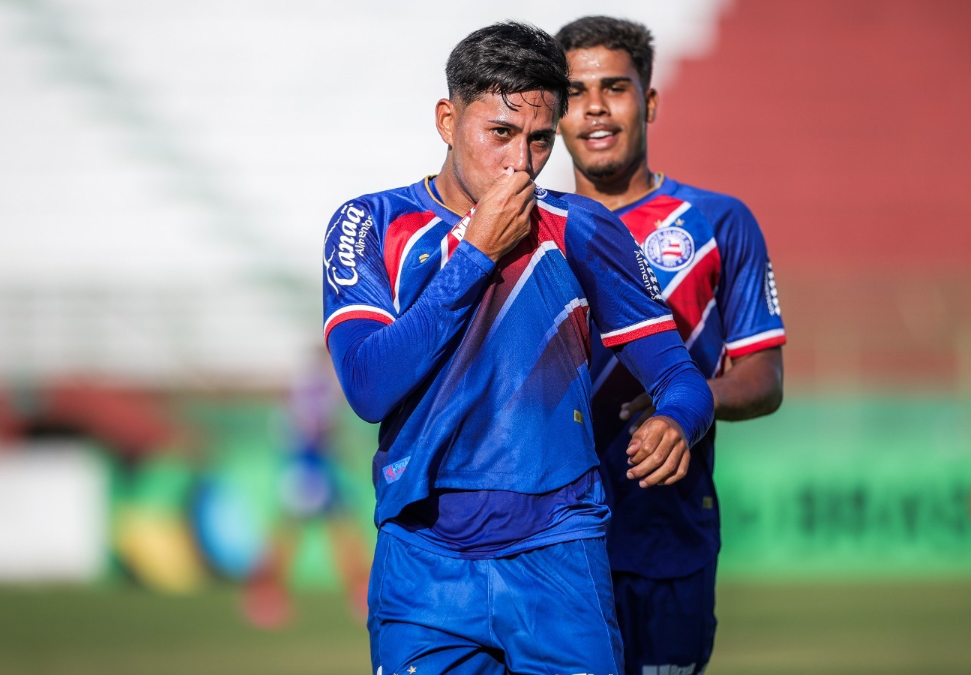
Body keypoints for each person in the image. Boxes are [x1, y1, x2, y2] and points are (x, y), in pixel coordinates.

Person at [322, 21, 714, 675]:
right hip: (425, 562)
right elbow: (367, 386)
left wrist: (678, 418)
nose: (520, 163)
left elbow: (680, 374)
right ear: (448, 120)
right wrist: (476, 253)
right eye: (500, 133)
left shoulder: (584, 227)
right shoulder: (373, 224)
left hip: (562, 550)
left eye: (538, 140)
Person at [555, 16, 785, 675]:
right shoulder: (526, 230)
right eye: (574, 91)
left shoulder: (719, 223)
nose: (595, 107)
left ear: (649, 100)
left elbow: (764, 376)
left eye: (615, 88)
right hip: (548, 545)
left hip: (667, 536)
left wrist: (684, 407)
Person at [242, 348, 370, 628]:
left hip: (308, 468)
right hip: (311, 469)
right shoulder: (317, 386)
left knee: (323, 532)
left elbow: (285, 427)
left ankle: (263, 594)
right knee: (305, 535)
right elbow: (316, 428)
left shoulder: (303, 387)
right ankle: (262, 593)